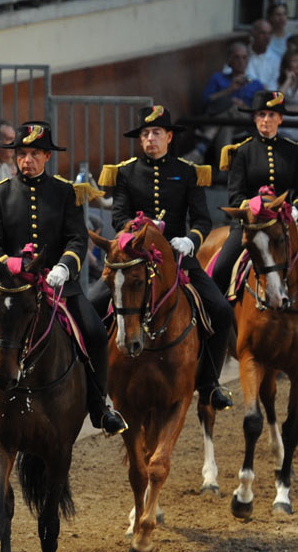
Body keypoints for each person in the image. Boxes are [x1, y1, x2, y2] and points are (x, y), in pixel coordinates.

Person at [0, 121, 127, 434]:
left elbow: (77, 238)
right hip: (10, 286)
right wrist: (11, 265)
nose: (27, 160)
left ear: (47, 157)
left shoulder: (66, 193)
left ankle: (98, 407)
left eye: (35, 153)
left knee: (93, 332)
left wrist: (65, 266)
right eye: (22, 153)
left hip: (58, 283)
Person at [95, 107, 235, 408]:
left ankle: (209, 383)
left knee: (222, 310)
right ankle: (93, 387)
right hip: (133, 257)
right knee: (91, 305)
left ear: (169, 137)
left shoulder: (187, 172)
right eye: (145, 134)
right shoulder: (125, 172)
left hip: (177, 256)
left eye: (156, 133)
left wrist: (191, 240)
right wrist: (138, 232)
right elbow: (119, 215)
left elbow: (202, 220)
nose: (150, 139)